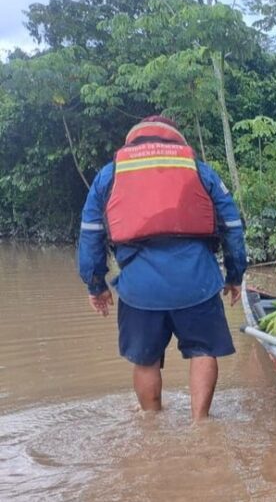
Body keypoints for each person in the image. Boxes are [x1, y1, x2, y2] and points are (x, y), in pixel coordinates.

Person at [78, 115, 248, 421]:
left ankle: (152, 424)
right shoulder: (199, 170)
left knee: (145, 360)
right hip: (196, 282)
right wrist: (234, 275)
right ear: (175, 140)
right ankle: (201, 424)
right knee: (202, 351)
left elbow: (91, 233)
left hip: (139, 288)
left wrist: (96, 285)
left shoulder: (110, 174)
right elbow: (232, 226)